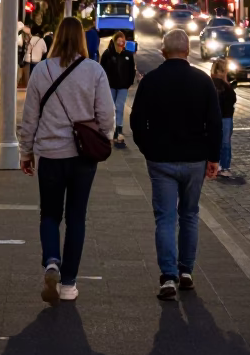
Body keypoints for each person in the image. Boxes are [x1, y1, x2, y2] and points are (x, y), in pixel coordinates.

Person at [18, 16, 115, 305]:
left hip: (50, 154)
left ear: (57, 37)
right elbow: (107, 115)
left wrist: (26, 152)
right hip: (83, 157)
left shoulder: (41, 70)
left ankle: (51, 262)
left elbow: (30, 117)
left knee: (49, 213)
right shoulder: (94, 71)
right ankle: (70, 283)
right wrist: (104, 139)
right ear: (82, 40)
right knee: (76, 218)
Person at [130, 28, 221, 301]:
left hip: (161, 160)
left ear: (163, 52)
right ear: (188, 51)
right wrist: (213, 158)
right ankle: (186, 272)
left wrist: (148, 149)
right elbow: (215, 123)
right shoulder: (203, 82)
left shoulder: (151, 81)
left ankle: (168, 276)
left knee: (165, 218)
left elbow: (136, 121)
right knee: (190, 215)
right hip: (194, 159)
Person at [99, 32, 136, 149]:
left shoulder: (128, 55)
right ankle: (111, 129)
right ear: (114, 41)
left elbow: (132, 71)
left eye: (122, 42)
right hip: (110, 86)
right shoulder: (108, 54)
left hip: (123, 86)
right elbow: (102, 69)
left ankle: (118, 130)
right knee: (111, 108)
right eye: (119, 41)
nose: (121, 44)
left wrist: (128, 83)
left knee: (119, 107)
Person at [210, 59, 236, 179]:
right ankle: (224, 167)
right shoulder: (223, 84)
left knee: (216, 140)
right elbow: (231, 99)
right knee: (225, 143)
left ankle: (217, 165)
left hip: (214, 116)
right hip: (225, 117)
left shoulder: (210, 82)